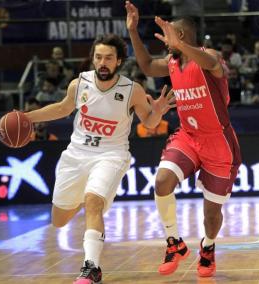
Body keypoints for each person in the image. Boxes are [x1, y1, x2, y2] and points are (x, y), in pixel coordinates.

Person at [24, 33, 175, 284]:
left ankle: (91, 267)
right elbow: (62, 109)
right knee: (58, 220)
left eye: (108, 58)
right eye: (98, 57)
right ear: (93, 58)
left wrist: (157, 111)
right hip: (76, 155)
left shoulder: (131, 90)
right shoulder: (79, 83)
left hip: (111, 155)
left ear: (118, 61)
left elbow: (148, 122)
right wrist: (27, 117)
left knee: (93, 202)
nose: (102, 62)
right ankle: (89, 208)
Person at [126, 1, 241, 278]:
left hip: (218, 142)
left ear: (182, 36)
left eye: (170, 36)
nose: (165, 42)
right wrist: (132, 32)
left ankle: (208, 247)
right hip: (188, 137)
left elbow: (210, 62)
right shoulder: (173, 62)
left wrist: (179, 43)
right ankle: (174, 243)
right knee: (162, 181)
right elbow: (145, 65)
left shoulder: (209, 57)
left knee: (211, 217)